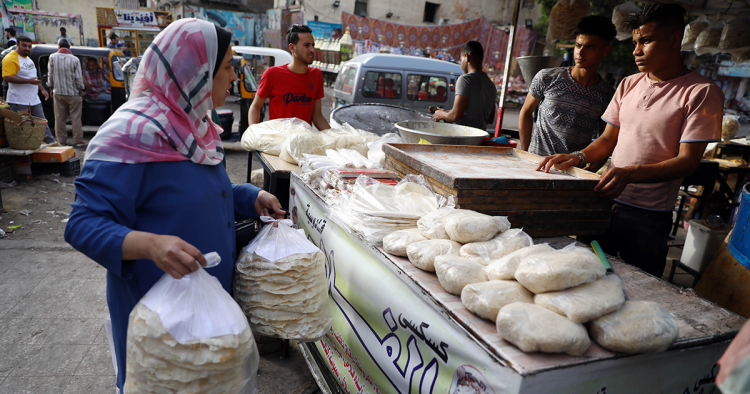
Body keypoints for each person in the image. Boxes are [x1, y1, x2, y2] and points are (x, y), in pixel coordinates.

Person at [64, 18, 285, 392]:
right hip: (159, 322)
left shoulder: (194, 126)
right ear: (195, 71)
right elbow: (83, 223)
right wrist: (151, 245)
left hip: (207, 317)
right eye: (229, 66)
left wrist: (249, 196)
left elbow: (196, 195)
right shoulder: (130, 133)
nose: (234, 76)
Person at [537, 3, 724, 278]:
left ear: (674, 39)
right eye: (636, 41)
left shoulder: (701, 92)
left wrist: (630, 174)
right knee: (586, 277)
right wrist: (579, 157)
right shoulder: (628, 84)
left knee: (638, 289)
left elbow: (687, 162)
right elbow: (606, 140)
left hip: (648, 218)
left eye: (646, 41)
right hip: (603, 203)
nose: (636, 50)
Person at [519, 15, 617, 158]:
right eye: (578, 45)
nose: (581, 52)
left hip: (570, 172)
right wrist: (525, 152)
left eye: (590, 47)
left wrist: (589, 170)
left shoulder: (608, 95)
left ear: (605, 50)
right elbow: (526, 111)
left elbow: (605, 140)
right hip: (535, 165)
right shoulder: (547, 77)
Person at [248, 24, 330, 130]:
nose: (312, 50)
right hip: (278, 142)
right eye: (307, 45)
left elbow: (317, 116)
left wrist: (336, 138)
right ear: (292, 47)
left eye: (313, 45)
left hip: (304, 143)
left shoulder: (316, 75)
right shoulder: (272, 74)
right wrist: (254, 133)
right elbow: (255, 107)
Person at [433, 41, 497, 131]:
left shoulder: (465, 79)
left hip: (463, 137)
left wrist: (441, 114)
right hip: (479, 138)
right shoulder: (491, 85)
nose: (461, 64)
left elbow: (456, 116)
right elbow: (490, 119)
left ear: (466, 57)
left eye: (461, 59)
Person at [1, 36, 54, 143]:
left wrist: (42, 89)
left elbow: (33, 77)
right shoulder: (10, 58)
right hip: (19, 101)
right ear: (17, 45)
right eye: (24, 46)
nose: (27, 49)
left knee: (43, 125)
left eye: (29, 46)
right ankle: (24, 155)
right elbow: (6, 77)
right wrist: (29, 81)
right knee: (21, 129)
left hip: (34, 100)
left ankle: (53, 147)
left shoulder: (28, 59)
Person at [48, 38, 85, 146]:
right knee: (76, 118)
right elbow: (78, 78)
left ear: (59, 46)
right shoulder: (75, 60)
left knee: (59, 117)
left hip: (58, 92)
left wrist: (51, 88)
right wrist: (80, 91)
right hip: (73, 93)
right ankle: (77, 140)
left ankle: (61, 141)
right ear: (69, 47)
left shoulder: (53, 57)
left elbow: (50, 75)